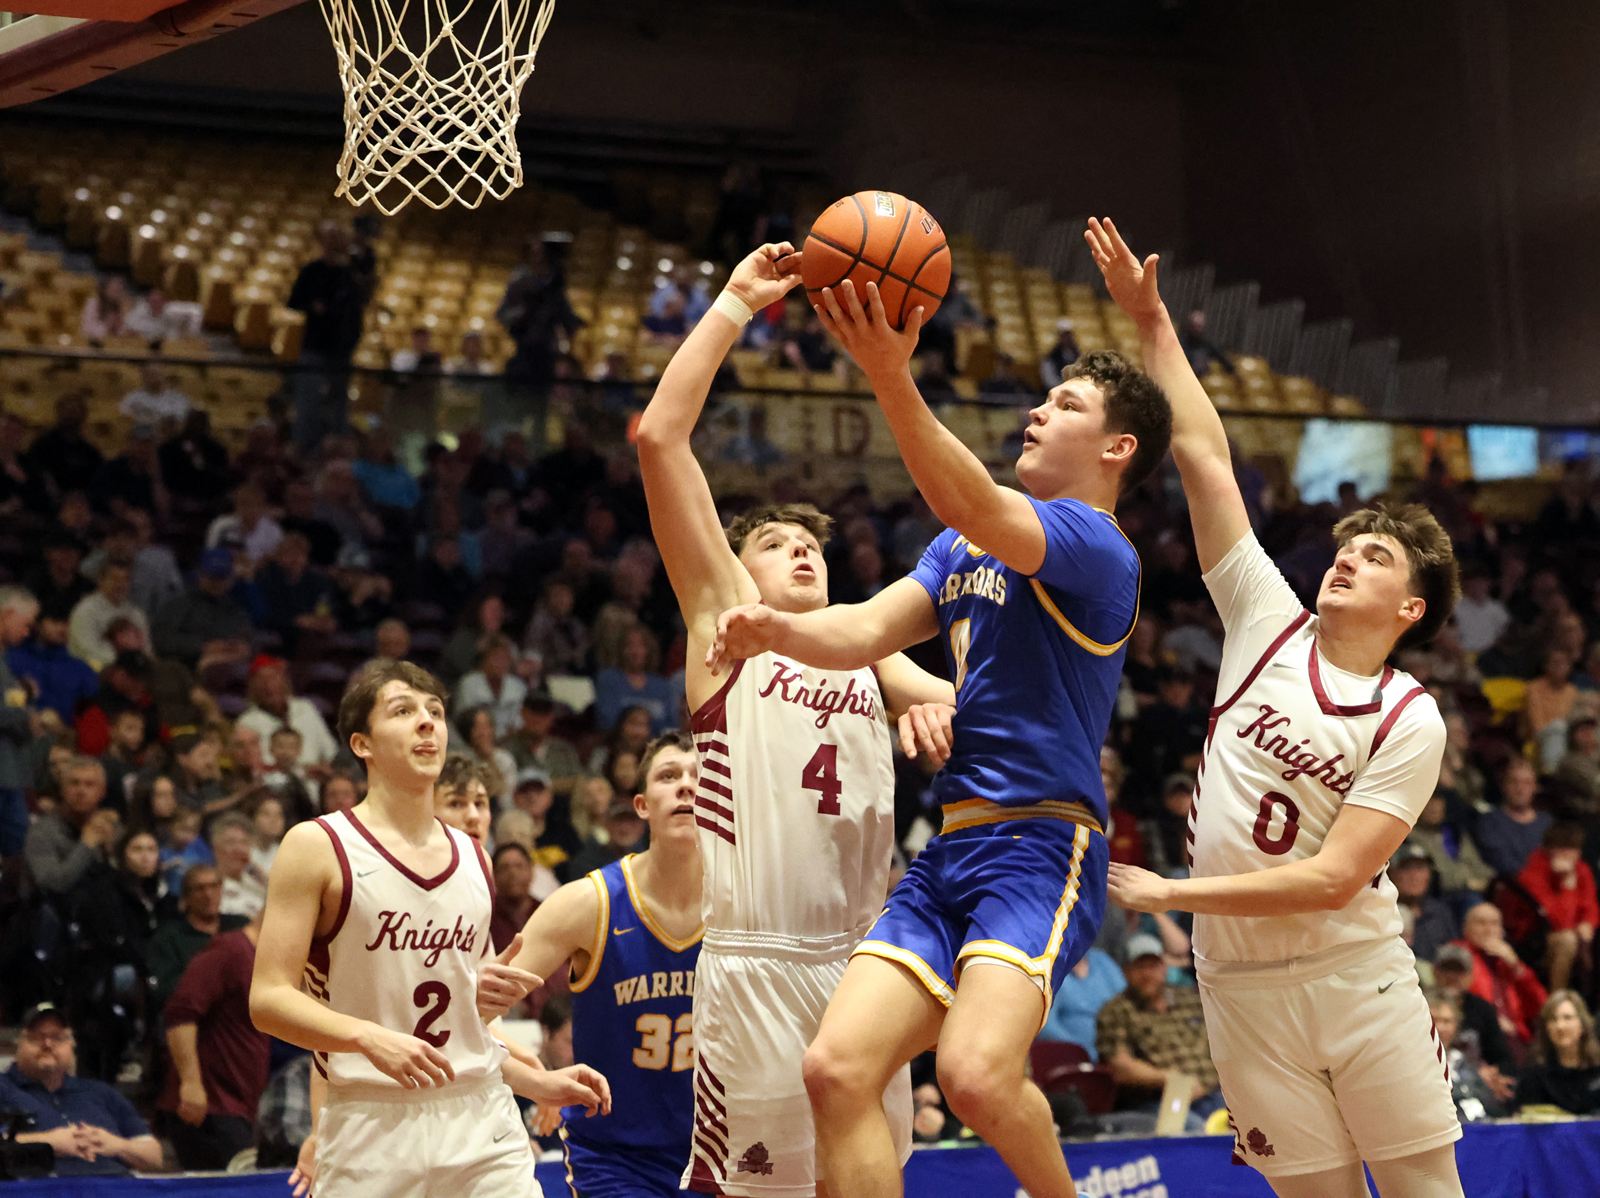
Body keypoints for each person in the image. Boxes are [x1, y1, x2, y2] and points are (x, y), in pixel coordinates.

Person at [708, 254, 1166, 1195]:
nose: (1038, 411)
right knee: (836, 1070)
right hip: (953, 848)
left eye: (1067, 405)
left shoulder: (1096, 547)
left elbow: (972, 500)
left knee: (972, 1075)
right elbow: (864, 631)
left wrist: (890, 373)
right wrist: (775, 629)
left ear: (1117, 448)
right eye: (1044, 398)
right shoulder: (963, 547)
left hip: (1042, 845)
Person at [1087, 218, 1465, 1198]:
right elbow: (1205, 459)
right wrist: (1153, 324)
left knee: (1424, 1190)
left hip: (1354, 977)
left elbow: (1334, 879)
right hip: (1238, 985)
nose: (1347, 559)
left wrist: (1168, 895)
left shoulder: (1408, 715)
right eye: (1347, 547)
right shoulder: (1265, 618)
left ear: (1411, 608)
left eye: (1376, 557)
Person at [636, 243, 958, 1197]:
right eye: (777, 545)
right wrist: (735, 303)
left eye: (812, 543)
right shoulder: (726, 626)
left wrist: (939, 715)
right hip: (760, 961)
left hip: (864, 960)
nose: (803, 553)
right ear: (740, 569)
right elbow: (660, 439)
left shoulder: (863, 648)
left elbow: (950, 701)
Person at [249, 658, 610, 1198]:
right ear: (362, 744)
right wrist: (366, 1036)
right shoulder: (317, 846)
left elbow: (466, 1027)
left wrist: (535, 1080)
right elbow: (268, 1000)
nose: (426, 722)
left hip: (480, 1114)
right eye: (403, 711)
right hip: (370, 1119)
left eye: (435, 712)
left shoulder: (475, 857)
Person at [478, 731, 703, 1198]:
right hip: (616, 1159)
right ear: (641, 805)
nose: (686, 785)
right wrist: (530, 1075)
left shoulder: (748, 907)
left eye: (699, 777)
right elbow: (471, 1011)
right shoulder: (588, 903)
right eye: (668, 775)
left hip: (721, 1153)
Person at [0, 1003, 163, 1175]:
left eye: (58, 1038)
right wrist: (47, 1143)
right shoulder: (5, 1088)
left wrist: (116, 1145)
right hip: (40, 1186)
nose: (48, 1044)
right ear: (18, 1044)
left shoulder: (102, 1092)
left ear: (72, 1045)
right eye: (37, 1037)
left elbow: (155, 1157)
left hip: (117, 1185)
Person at [161, 912, 270, 1169]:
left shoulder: (260, 959)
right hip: (211, 1108)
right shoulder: (229, 951)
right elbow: (180, 1013)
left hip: (239, 1105)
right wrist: (191, 1083)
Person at [1095, 934, 1224, 1129]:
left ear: (1164, 967)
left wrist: (1209, 1082)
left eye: (1153, 966)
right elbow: (1120, 1066)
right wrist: (1170, 1079)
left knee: (1250, 1119)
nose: (1147, 973)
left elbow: (1222, 1043)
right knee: (1195, 1129)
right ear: (1126, 972)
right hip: (1157, 1100)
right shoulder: (1115, 1011)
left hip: (1213, 1091)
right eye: (1140, 967)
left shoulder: (1191, 1000)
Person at [287, 221, 374, 452]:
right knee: (309, 406)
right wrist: (313, 305)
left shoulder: (349, 274)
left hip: (341, 350)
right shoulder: (312, 271)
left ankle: (335, 452)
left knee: (338, 408)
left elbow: (366, 281)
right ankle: (305, 451)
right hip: (315, 348)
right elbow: (294, 301)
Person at [1516, 823, 1598, 993]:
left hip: (1576, 933)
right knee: (1567, 940)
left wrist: (1588, 923)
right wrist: (1567, 884)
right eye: (1567, 849)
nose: (1573, 855)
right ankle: (1557, 997)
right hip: (1538, 940)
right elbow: (1558, 921)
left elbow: (1591, 905)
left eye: (1575, 849)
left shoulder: (1581, 869)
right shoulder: (1532, 874)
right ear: (1551, 850)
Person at [150, 864, 248, 1002]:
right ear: (187, 897)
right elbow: (166, 987)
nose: (208, 895)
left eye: (214, 886)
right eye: (200, 889)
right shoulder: (169, 938)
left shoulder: (240, 925)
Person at [25, 756, 116, 895]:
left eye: (89, 784)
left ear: (102, 792)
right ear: (62, 790)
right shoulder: (41, 832)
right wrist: (86, 845)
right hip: (56, 906)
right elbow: (51, 884)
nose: (81, 791)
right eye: (74, 783)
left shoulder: (112, 828)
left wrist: (110, 851)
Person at [1512, 990, 1600, 1114]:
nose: (1560, 1026)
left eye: (1568, 1018)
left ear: (1583, 1024)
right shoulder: (1533, 1075)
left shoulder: (1597, 1071)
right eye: (1553, 1019)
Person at [1039, 945, 1126, 1058]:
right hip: (1069, 1057)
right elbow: (1047, 1025)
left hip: (1117, 1050)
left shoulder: (1101, 960)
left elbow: (1126, 1000)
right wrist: (1081, 1050)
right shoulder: (1047, 968)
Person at [68, 558, 149, 671]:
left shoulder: (136, 614)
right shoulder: (85, 611)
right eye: (115, 579)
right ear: (101, 580)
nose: (120, 585)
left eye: (125, 580)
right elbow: (86, 652)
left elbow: (147, 651)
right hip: (91, 671)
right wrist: (121, 664)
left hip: (131, 672)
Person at [1478, 757, 1553, 878]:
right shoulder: (1490, 822)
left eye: (1526, 783)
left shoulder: (1547, 824)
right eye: (1514, 782)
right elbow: (1502, 863)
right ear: (1504, 786)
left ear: (1534, 787)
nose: (1520, 789)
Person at [1390, 844, 1459, 964]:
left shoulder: (1441, 913)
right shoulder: (1383, 911)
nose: (1414, 876)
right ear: (1392, 874)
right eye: (1407, 868)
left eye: (1420, 868)